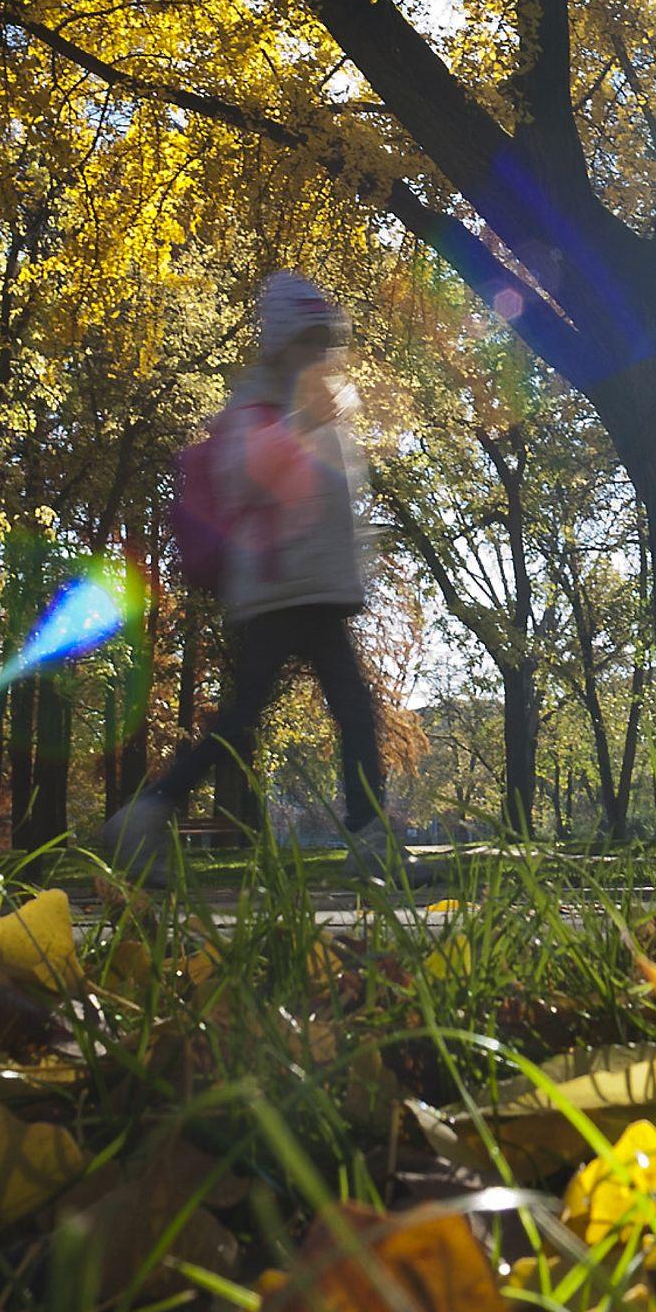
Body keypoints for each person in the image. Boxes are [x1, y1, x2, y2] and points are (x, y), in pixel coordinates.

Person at [102, 272, 410, 886]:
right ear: (281, 345)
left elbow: (331, 503)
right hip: (277, 588)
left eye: (325, 343)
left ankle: (151, 812)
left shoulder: (314, 403)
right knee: (286, 715)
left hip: (314, 587)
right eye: (308, 342)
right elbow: (246, 479)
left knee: (294, 714)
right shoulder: (258, 405)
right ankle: (369, 840)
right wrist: (302, 423)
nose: (319, 355)